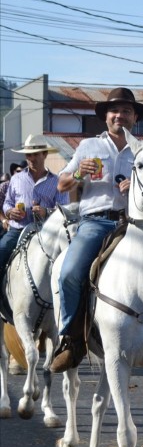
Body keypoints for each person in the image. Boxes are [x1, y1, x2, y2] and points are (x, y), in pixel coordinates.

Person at [51, 88, 143, 373]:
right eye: (114, 111)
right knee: (70, 272)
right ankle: (71, 340)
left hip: (134, 223)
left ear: (134, 117)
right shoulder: (88, 147)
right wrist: (80, 174)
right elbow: (61, 184)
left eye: (126, 111)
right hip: (96, 222)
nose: (119, 115)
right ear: (106, 117)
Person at [0, 135, 69, 321]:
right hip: (18, 230)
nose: (31, 159)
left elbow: (64, 209)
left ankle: (67, 309)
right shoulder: (16, 179)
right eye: (28, 155)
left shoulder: (56, 181)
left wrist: (47, 212)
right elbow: (7, 203)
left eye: (35, 154)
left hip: (46, 233)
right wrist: (10, 212)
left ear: (44, 154)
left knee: (69, 263)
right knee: (1, 251)